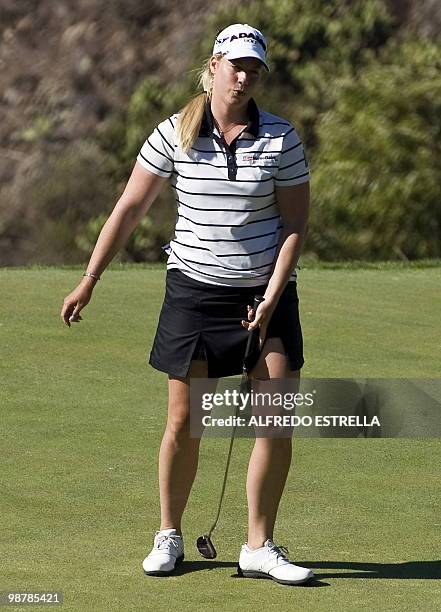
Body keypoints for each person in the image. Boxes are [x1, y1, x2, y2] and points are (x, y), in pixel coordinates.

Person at [61, 23, 314, 586]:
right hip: (194, 290)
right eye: (235, 66)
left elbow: (295, 224)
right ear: (213, 67)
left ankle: (258, 545)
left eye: (254, 68)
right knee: (186, 421)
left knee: (275, 422)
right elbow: (129, 207)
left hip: (264, 291)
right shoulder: (175, 132)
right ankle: (169, 534)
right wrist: (89, 279)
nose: (244, 77)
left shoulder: (281, 138)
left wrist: (272, 297)